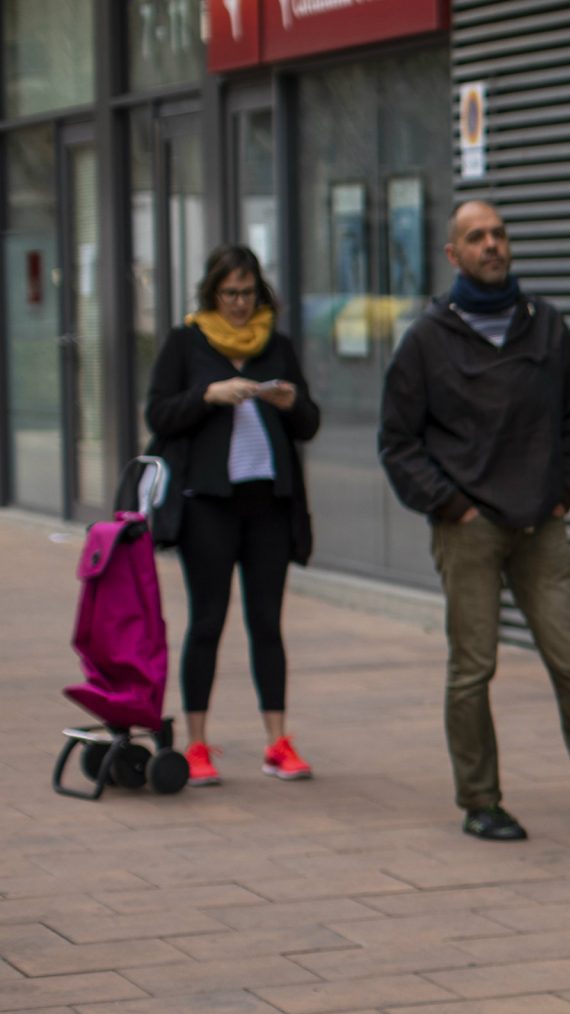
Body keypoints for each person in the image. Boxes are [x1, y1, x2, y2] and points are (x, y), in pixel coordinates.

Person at [380, 199, 570, 843]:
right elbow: (397, 442)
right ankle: (481, 802)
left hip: (540, 525)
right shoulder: (427, 340)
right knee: (473, 669)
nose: (491, 245)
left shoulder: (545, 327)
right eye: (476, 237)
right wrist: (451, 506)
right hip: (469, 526)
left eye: (498, 233)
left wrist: (565, 492)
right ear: (453, 255)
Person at [143, 245, 320, 786]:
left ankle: (278, 741)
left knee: (267, 624)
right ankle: (196, 744)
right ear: (212, 294)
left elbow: (309, 423)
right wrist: (209, 394)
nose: (240, 304)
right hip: (208, 506)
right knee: (208, 622)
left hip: (269, 504)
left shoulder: (277, 346)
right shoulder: (185, 341)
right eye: (230, 294)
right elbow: (158, 413)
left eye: (247, 293)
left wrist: (290, 403)